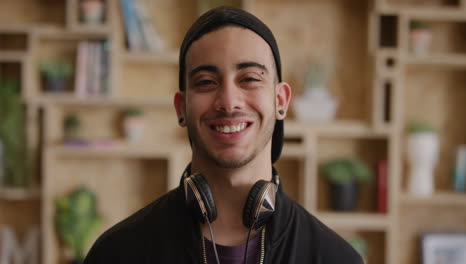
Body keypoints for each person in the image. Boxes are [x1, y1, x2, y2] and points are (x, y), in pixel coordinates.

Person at [83, 6, 363, 264]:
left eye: (250, 79)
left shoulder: (335, 258)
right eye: (206, 82)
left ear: (281, 101)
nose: (229, 101)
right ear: (181, 107)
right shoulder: (117, 254)